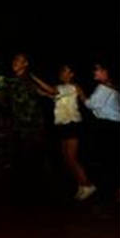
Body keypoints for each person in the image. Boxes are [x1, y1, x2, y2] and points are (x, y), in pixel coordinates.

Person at [0, 53, 47, 191]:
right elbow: (1, 92)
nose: (14, 62)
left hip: (32, 128)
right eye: (14, 60)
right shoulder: (17, 81)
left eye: (18, 60)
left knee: (33, 160)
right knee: (24, 160)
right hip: (21, 127)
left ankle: (37, 190)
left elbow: (4, 82)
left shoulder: (25, 79)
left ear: (25, 64)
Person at [30, 66, 96, 201]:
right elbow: (51, 94)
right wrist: (36, 89)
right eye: (61, 71)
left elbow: (51, 90)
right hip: (63, 125)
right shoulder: (62, 88)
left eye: (65, 71)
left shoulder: (72, 86)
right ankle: (82, 185)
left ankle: (88, 185)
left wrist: (34, 77)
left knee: (71, 157)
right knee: (66, 157)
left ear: (71, 74)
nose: (61, 73)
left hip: (72, 124)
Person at [83, 61, 120, 197]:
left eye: (98, 69)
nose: (94, 72)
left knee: (107, 160)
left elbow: (91, 104)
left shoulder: (104, 88)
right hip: (114, 126)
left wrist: (81, 94)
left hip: (108, 127)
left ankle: (111, 191)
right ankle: (117, 190)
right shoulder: (114, 86)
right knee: (113, 159)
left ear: (106, 72)